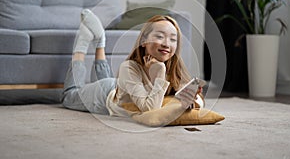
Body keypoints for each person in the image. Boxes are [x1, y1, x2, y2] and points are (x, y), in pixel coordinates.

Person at [61, 9, 204, 126]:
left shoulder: (175, 69)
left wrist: (192, 101)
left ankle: (100, 42)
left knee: (111, 82)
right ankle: (82, 45)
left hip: (120, 87)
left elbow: (199, 100)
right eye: (160, 36)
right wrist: (160, 73)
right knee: (69, 96)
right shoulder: (128, 67)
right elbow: (150, 109)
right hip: (104, 96)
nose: (167, 44)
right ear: (143, 41)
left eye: (173, 39)